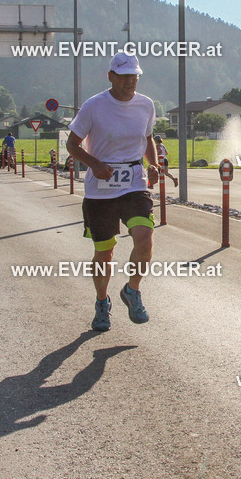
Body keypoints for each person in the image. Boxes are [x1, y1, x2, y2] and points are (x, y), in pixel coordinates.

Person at [65, 52, 161, 332]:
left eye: (134, 76)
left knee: (144, 238)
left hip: (134, 182)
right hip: (101, 191)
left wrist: (152, 164)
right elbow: (72, 145)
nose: (130, 81)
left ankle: (132, 290)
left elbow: (147, 138)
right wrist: (94, 164)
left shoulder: (146, 105)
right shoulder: (94, 106)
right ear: (111, 76)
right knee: (104, 254)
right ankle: (102, 302)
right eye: (124, 76)